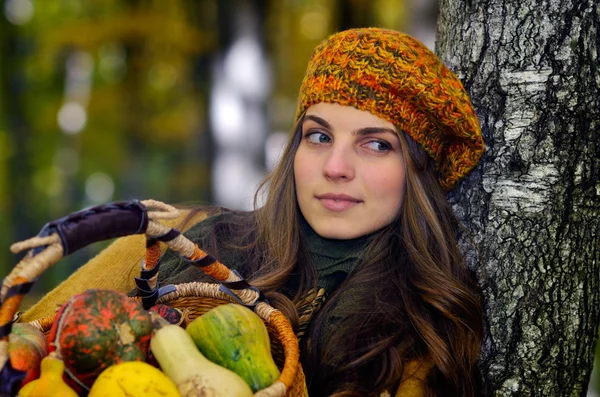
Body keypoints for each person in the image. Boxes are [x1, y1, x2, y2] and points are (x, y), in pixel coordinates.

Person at [21, 28, 485, 396]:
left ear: (418, 172)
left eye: (377, 144)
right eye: (319, 136)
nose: (335, 168)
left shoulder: (421, 330)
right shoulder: (176, 235)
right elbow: (25, 341)